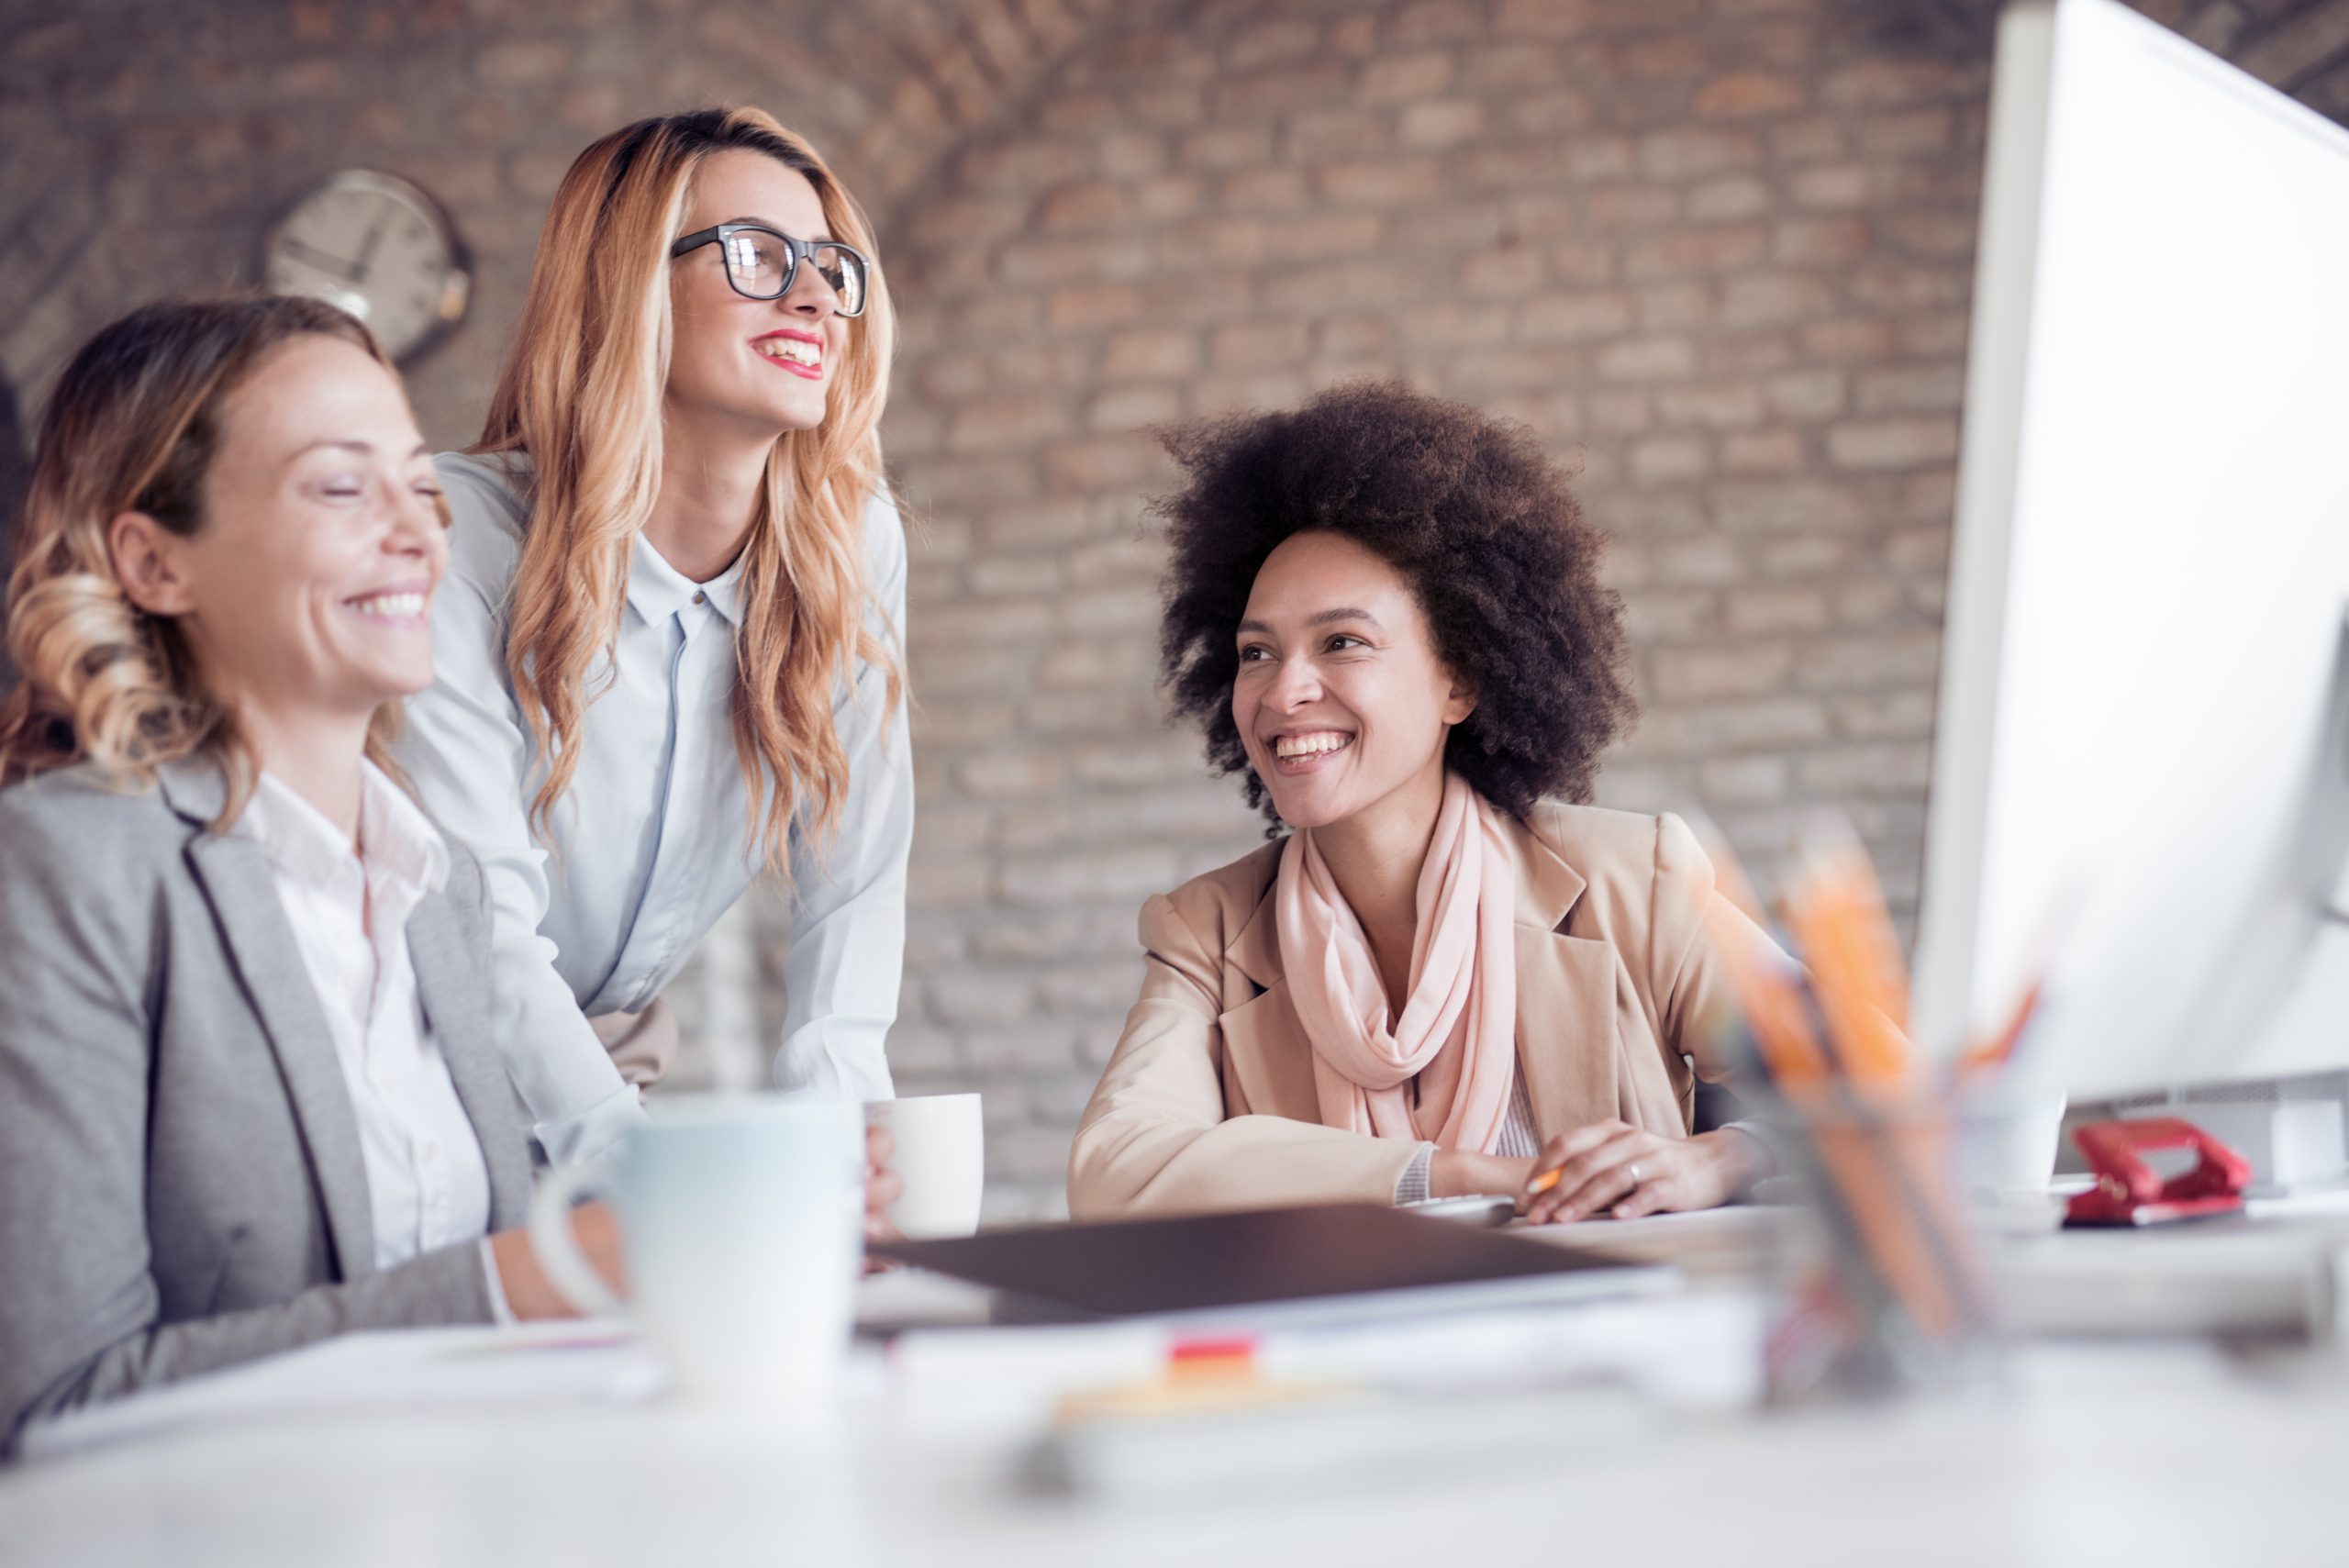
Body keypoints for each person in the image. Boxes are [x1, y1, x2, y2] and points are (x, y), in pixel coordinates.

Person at [0, 298, 619, 1452]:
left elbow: (533, 1245)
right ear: (154, 560)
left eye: (420, 487)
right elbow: (49, 1404)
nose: (420, 533)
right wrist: (499, 1289)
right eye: (343, 487)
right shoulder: (63, 872)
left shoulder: (442, 892)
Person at [1068, 383, 1781, 1224]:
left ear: (1462, 679)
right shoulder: (1209, 934)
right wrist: (1455, 1175)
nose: (1283, 689)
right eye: (1257, 652)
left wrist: (1714, 1161)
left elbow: (1880, 1096)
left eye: (1343, 642)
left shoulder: (1636, 884)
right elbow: (1115, 1171)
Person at [395, 108, 912, 1173]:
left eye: (828, 264)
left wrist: (839, 1151)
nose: (814, 295)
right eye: (758, 256)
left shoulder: (847, 542)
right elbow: (479, 927)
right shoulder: (462, 536)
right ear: (628, 285)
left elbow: (854, 887)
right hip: (409, 1093)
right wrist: (648, 1183)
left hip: (600, 1088)